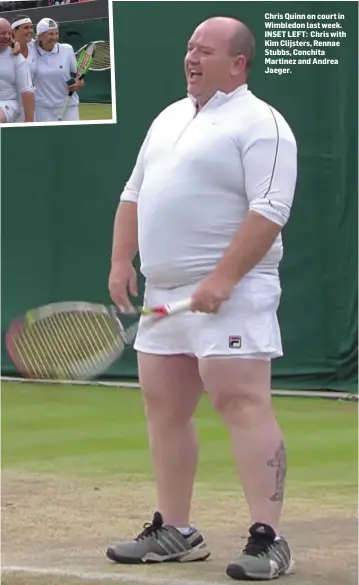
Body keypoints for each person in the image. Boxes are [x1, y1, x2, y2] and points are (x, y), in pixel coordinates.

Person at [107, 16, 297, 582]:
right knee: (164, 408)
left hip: (236, 291)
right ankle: (176, 530)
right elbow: (134, 192)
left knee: (240, 401)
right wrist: (121, 260)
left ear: (238, 63)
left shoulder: (263, 124)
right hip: (166, 297)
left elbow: (271, 210)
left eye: (205, 51)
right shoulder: (167, 117)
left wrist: (224, 277)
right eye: (189, 48)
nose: (191, 58)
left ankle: (269, 538)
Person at [32, 17, 84, 122]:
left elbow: (79, 77)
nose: (54, 37)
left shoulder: (67, 49)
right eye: (50, 34)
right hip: (43, 110)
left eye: (56, 33)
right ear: (40, 36)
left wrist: (79, 83)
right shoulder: (31, 51)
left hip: (69, 107)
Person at [0, 17, 34, 123]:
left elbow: (27, 91)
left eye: (9, 33)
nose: (6, 37)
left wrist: (29, 123)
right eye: (2, 33)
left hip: (8, 104)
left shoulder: (16, 57)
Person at [10, 14, 37, 122]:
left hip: (31, 106)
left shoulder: (36, 46)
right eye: (26, 28)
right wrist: (14, 43)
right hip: (9, 105)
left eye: (31, 27)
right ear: (14, 32)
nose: (30, 30)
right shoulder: (4, 49)